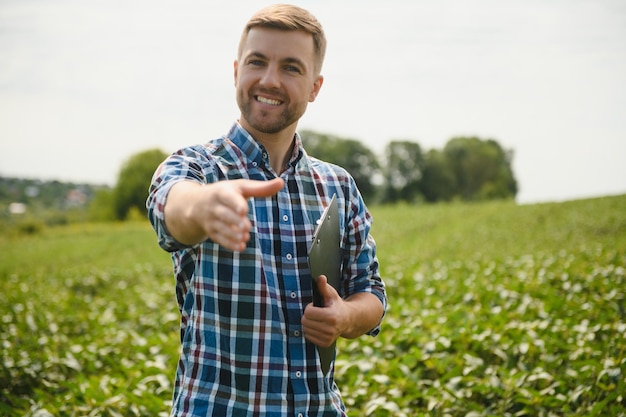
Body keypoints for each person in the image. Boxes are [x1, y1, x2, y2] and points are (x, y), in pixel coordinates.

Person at [146, 4, 387, 416]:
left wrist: (346, 316)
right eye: (257, 62)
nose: (269, 80)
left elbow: (372, 294)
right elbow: (172, 207)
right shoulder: (197, 169)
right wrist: (205, 207)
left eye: (291, 68)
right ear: (237, 70)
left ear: (315, 86)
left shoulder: (338, 187)